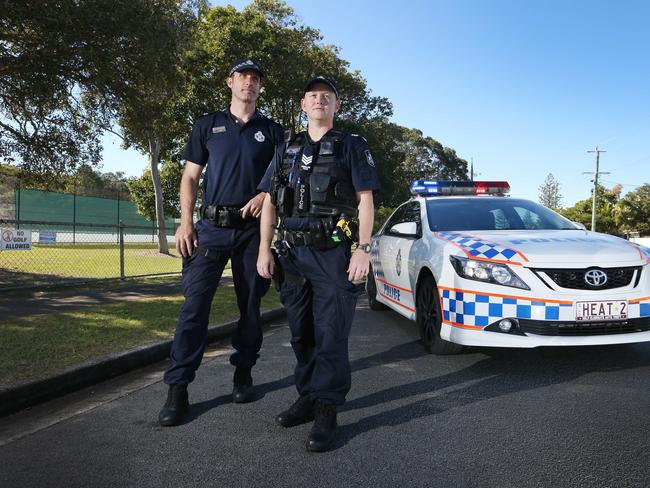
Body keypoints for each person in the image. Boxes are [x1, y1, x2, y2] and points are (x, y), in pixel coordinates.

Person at [256, 76, 380, 452]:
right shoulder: (285, 148)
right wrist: (264, 248)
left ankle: (327, 408)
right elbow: (270, 203)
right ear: (302, 104)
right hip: (292, 254)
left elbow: (365, 199)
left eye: (327, 97)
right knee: (301, 334)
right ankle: (308, 396)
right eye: (312, 96)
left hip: (332, 253)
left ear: (337, 106)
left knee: (330, 334)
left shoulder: (351, 146)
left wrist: (363, 248)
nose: (319, 101)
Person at [158, 59, 283, 427]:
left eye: (255, 78)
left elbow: (281, 179)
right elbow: (190, 178)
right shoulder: (206, 125)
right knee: (194, 309)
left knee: (250, 308)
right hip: (210, 228)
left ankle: (243, 374)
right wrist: (184, 224)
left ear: (260, 87)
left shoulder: (274, 131)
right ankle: (177, 389)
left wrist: (265, 194)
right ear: (230, 82)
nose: (249, 82)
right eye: (243, 76)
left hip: (252, 233)